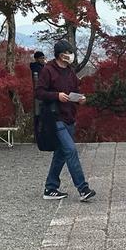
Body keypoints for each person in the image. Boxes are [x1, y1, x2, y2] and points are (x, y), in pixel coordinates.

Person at [35, 40, 94, 201]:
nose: (71, 55)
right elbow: (39, 92)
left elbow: (75, 90)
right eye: (69, 52)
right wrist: (56, 95)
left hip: (69, 116)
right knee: (70, 150)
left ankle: (50, 187)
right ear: (61, 55)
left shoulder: (70, 71)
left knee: (61, 153)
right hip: (54, 117)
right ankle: (83, 188)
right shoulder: (48, 70)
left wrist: (80, 98)